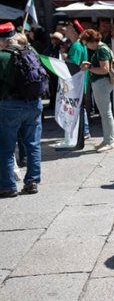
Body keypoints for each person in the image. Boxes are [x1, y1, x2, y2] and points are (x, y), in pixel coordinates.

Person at [0, 22, 44, 197]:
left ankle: (8, 186)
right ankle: (32, 182)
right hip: (34, 103)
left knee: (6, 148)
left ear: (2, 41)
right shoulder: (31, 52)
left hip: (10, 106)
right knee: (33, 145)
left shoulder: (2, 57)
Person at [79, 30, 114, 152]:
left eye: (86, 44)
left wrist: (89, 67)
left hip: (102, 83)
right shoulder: (102, 48)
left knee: (106, 114)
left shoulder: (101, 50)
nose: (86, 46)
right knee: (105, 114)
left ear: (92, 41)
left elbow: (104, 69)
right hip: (102, 83)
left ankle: (109, 141)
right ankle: (107, 140)